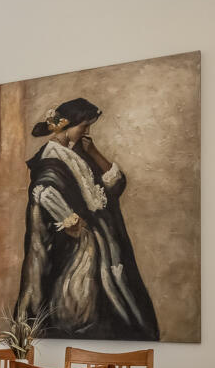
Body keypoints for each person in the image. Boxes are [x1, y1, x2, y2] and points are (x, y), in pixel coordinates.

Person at [14, 97, 159, 340]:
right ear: (66, 125)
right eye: (84, 126)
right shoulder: (51, 160)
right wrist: (71, 220)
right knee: (82, 311)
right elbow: (44, 193)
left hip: (104, 247)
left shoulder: (79, 153)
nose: (87, 132)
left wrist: (93, 151)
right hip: (79, 252)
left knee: (121, 307)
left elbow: (116, 185)